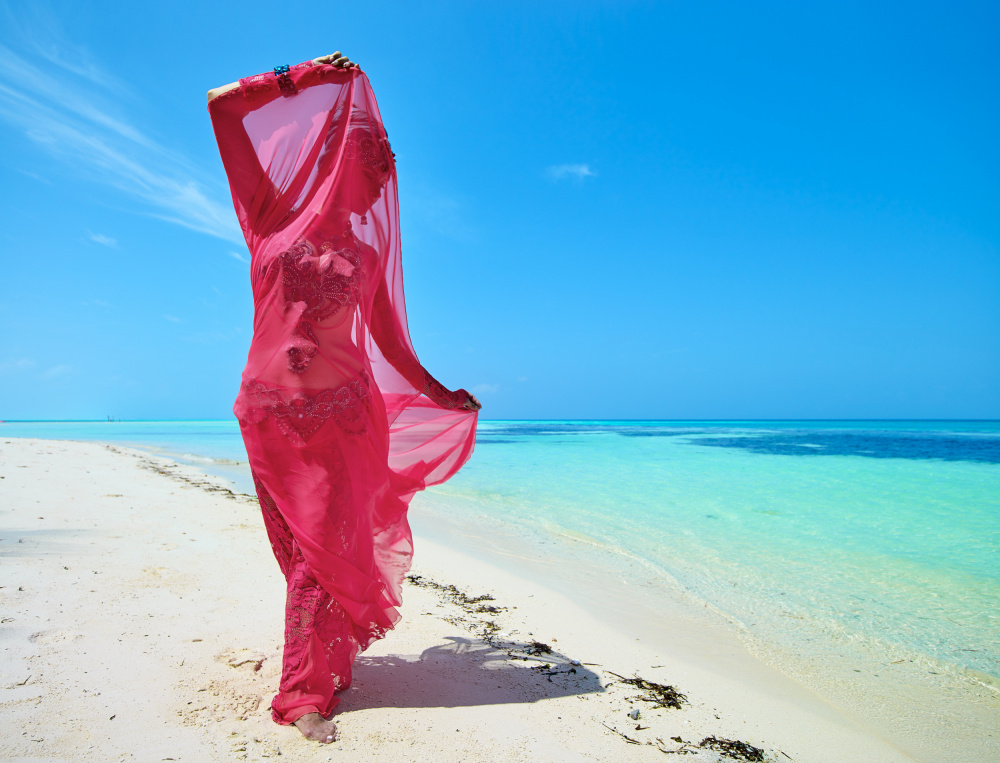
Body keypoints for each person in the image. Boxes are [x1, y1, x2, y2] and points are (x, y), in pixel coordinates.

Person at [207, 52, 481, 744]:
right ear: (335, 160)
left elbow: (389, 341)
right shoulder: (270, 213)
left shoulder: (363, 255)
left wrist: (441, 393)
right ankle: (323, 659)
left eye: (377, 175)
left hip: (344, 418)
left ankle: (302, 692)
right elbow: (220, 107)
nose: (370, 187)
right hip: (268, 413)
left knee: (317, 555)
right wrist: (296, 78)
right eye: (365, 168)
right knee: (301, 552)